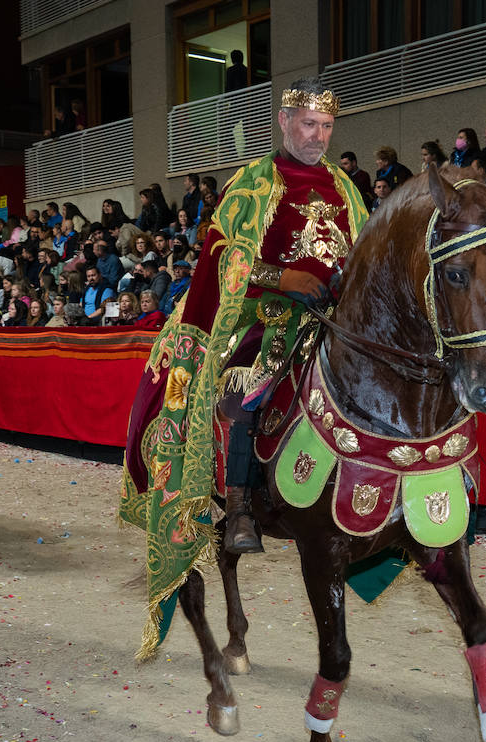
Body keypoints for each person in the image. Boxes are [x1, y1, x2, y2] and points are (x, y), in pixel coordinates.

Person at [120, 76, 369, 571]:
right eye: (309, 124)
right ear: (284, 121)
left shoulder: (346, 187)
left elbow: (364, 250)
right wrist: (284, 278)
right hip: (265, 313)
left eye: (326, 126)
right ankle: (239, 506)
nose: (318, 136)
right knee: (247, 384)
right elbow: (219, 253)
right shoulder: (254, 182)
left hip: (335, 315)